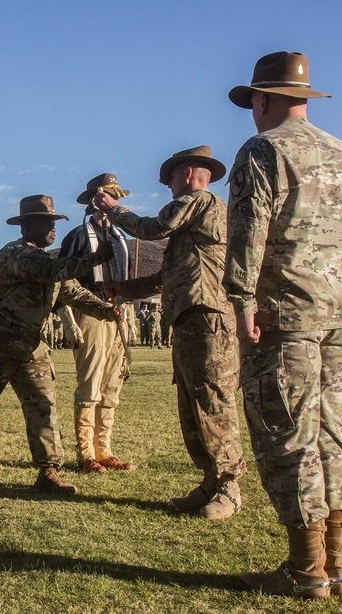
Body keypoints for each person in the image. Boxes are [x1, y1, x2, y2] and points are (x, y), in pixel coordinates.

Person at [224, 51, 342, 599]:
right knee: (335, 434)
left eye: (253, 103)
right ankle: (339, 565)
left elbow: (250, 230)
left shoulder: (262, 150)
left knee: (288, 433)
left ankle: (306, 567)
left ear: (263, 100)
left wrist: (242, 299)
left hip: (286, 316)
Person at [94, 145, 247, 521]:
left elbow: (152, 227)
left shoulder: (202, 201)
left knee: (213, 402)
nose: (168, 186)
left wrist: (116, 210)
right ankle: (211, 481)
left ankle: (229, 486)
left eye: (172, 178)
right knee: (192, 405)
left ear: (192, 172)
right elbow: (166, 278)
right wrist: (124, 289)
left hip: (209, 319)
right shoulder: (190, 230)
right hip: (189, 320)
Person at [0, 195, 121, 496]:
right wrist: (95, 258)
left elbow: (73, 292)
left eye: (54, 221)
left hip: (29, 348)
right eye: (46, 221)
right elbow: (53, 273)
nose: (53, 226)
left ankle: (48, 472)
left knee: (43, 407)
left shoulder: (51, 263)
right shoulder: (14, 255)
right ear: (27, 225)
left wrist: (105, 310)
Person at [58, 174, 135, 473]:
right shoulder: (78, 236)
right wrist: (68, 320)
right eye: (110, 196)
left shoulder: (120, 237)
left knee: (112, 385)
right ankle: (85, 453)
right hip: (90, 315)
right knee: (90, 385)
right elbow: (62, 279)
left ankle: (105, 450)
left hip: (120, 317)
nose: (113, 201)